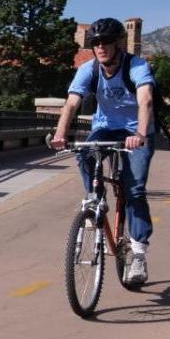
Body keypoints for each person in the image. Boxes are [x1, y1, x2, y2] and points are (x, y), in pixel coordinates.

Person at [49, 17, 157, 285]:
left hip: (137, 131)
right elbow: (72, 102)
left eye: (106, 42)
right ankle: (94, 197)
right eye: (95, 42)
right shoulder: (89, 69)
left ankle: (139, 254)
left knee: (134, 190)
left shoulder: (137, 66)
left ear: (118, 43)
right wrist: (61, 133)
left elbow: (146, 99)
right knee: (84, 153)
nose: (100, 47)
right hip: (106, 128)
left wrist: (140, 134)